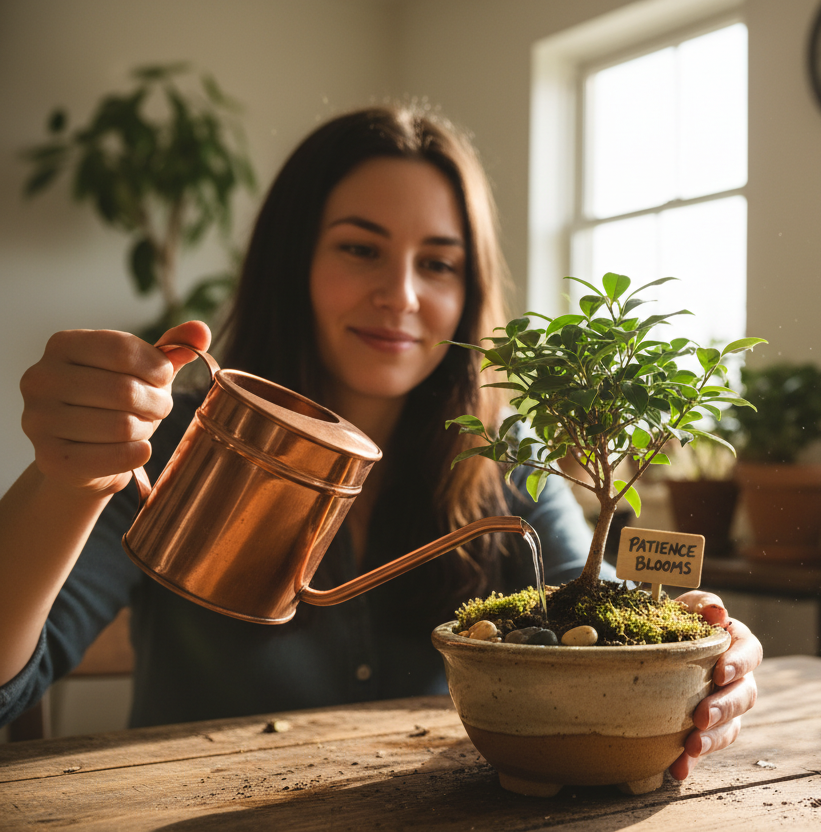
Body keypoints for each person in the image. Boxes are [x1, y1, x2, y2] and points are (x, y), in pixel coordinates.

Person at [0, 104, 760, 778]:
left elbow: (592, 611)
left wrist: (704, 654)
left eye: (438, 264)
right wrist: (64, 480)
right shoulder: (178, 444)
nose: (400, 294)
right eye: (360, 249)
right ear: (292, 262)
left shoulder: (506, 459)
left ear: (468, 297)